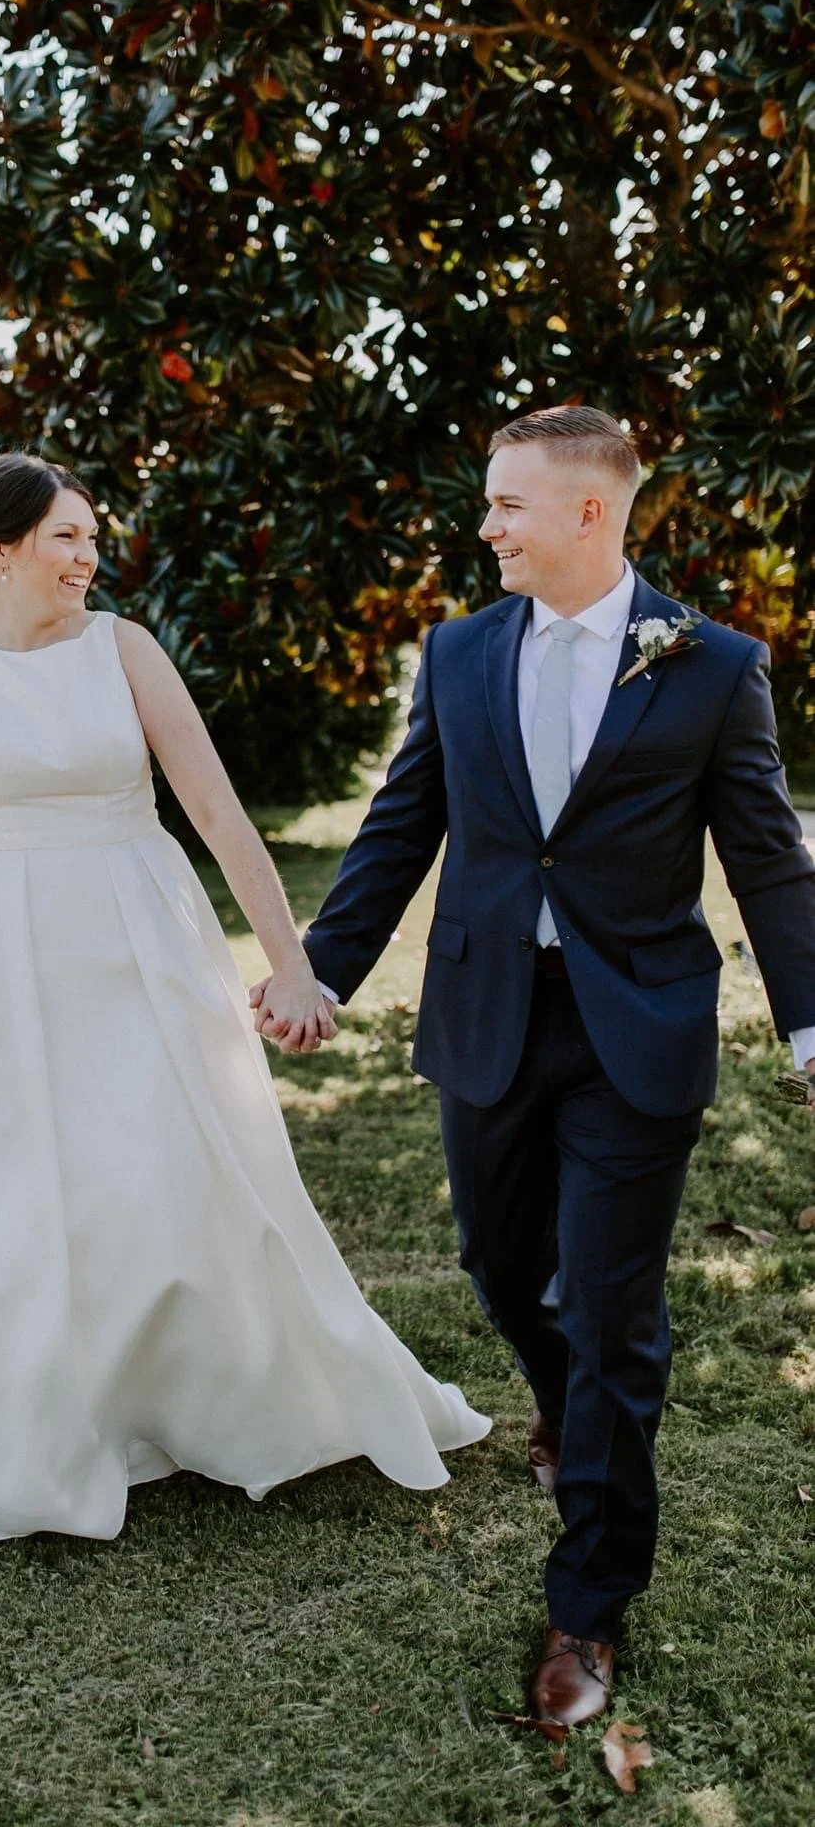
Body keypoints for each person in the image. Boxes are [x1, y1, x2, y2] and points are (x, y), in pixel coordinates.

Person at [0, 452, 490, 1563]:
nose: (89, 556)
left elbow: (222, 814)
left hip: (135, 933)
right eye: (66, 537)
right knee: (23, 1188)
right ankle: (41, 1424)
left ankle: (200, 1402)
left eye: (93, 537)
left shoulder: (125, 649)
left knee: (159, 1175)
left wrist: (291, 963)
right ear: (0, 548)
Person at [254, 405, 815, 1726]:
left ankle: (586, 1610)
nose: (487, 525)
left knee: (615, 1309)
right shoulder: (455, 656)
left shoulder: (712, 664)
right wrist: (322, 970)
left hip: (637, 1024)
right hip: (489, 1013)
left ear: (588, 513)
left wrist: (808, 1023)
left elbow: (768, 863)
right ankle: (571, 1409)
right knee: (502, 1267)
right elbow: (400, 826)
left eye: (508, 504)